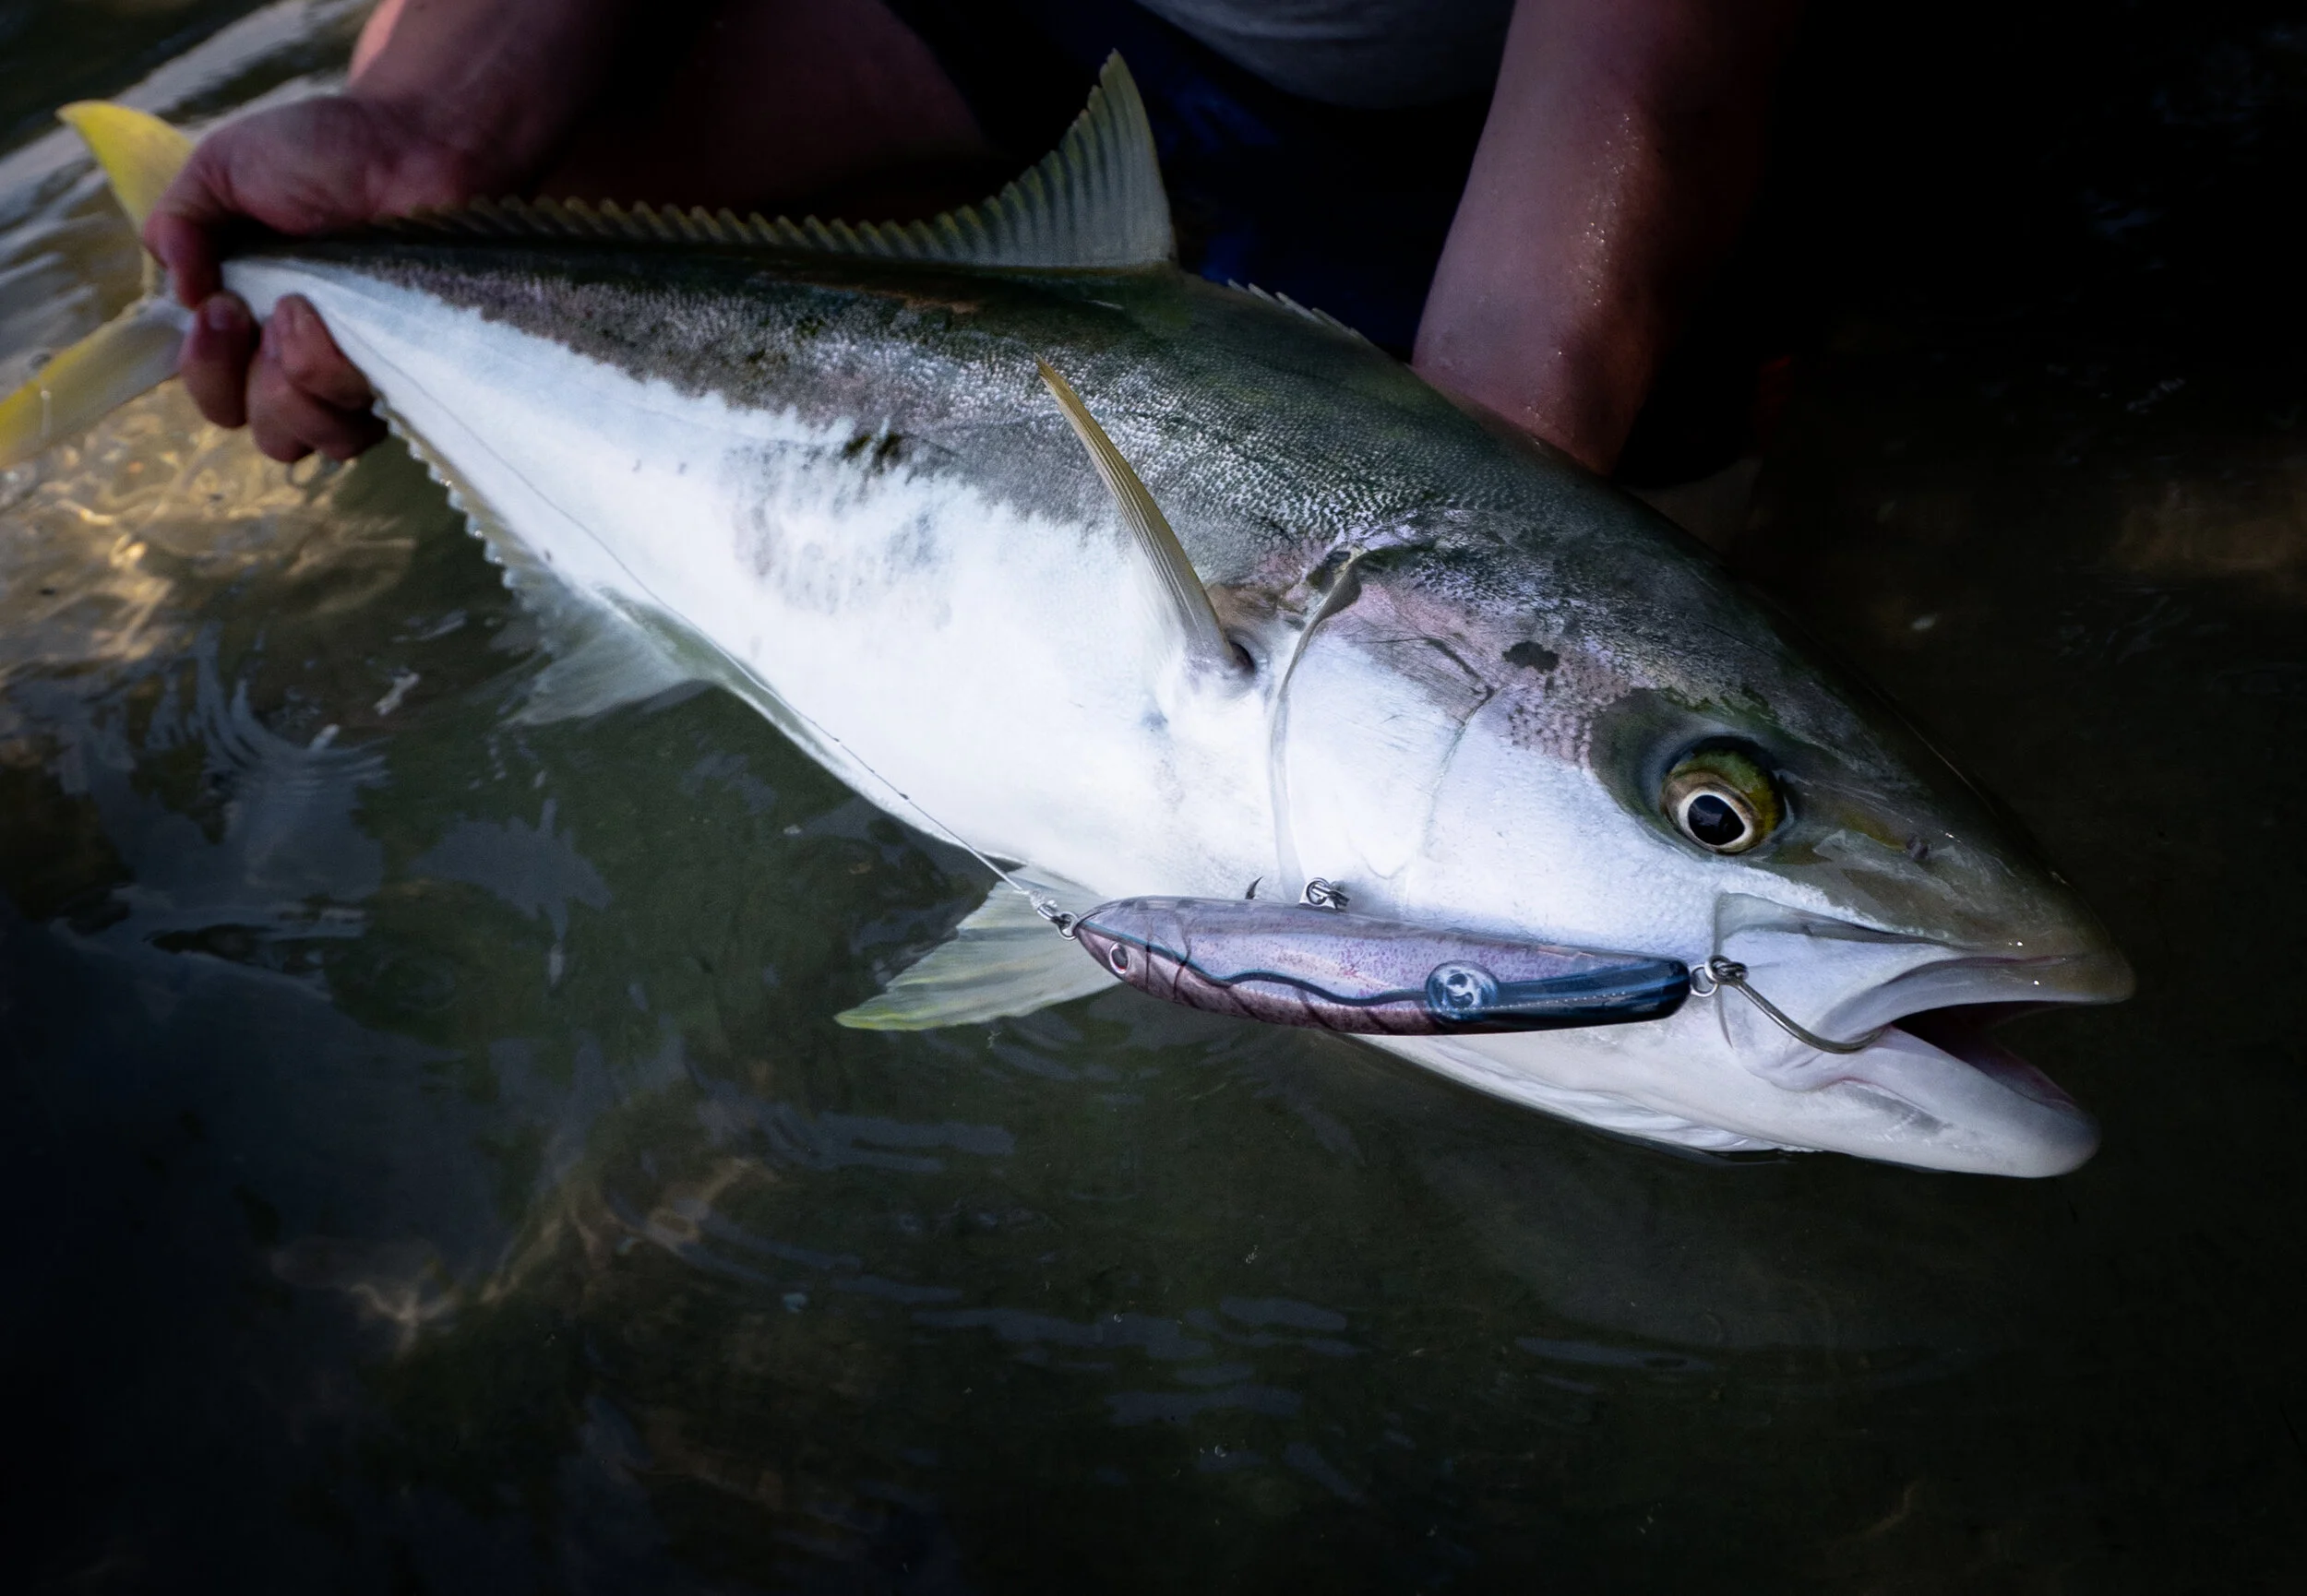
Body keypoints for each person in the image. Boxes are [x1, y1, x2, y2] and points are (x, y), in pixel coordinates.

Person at [148, 0, 1799, 477]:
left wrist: (1476, 479)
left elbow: (1648, 54)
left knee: (1669, 474)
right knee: (463, 157)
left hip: (1497, 99)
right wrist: (430, 127)